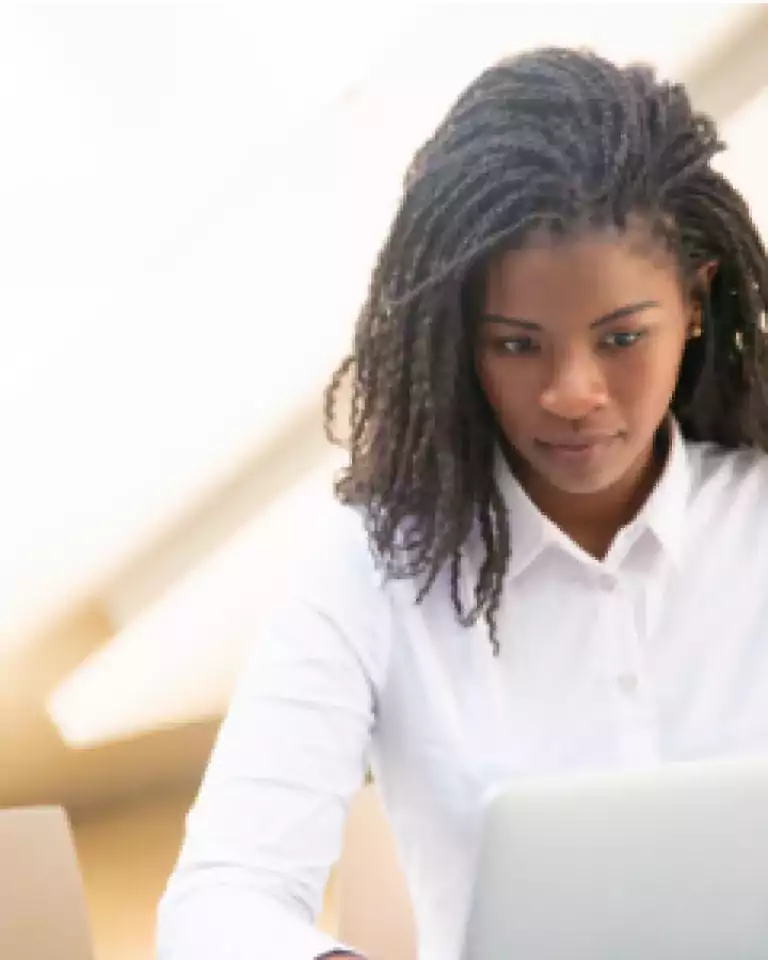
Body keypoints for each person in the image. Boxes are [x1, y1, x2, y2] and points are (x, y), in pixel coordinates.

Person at [157, 47, 768, 960]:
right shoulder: (374, 563)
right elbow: (216, 905)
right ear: (458, 342)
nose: (572, 391)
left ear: (694, 301)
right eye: (518, 345)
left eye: (621, 337)